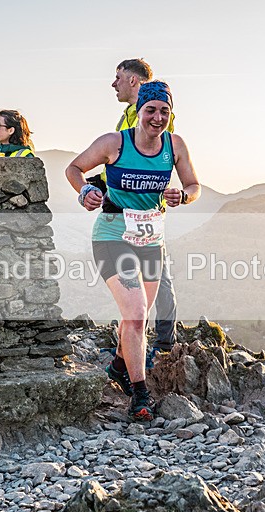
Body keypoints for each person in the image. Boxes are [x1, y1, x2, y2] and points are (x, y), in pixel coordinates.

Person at [66, 81, 201, 421]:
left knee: (134, 319)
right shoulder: (114, 143)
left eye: (164, 111)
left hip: (152, 241)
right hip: (113, 236)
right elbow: (74, 168)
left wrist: (183, 196)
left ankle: (116, 366)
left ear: (171, 115)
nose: (157, 118)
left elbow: (194, 186)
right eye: (151, 110)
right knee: (138, 314)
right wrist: (85, 192)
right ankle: (139, 395)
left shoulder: (176, 145)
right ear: (138, 111)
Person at [87, 59, 178, 368]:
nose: (114, 84)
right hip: (120, 217)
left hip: (147, 216)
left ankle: (163, 343)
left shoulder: (154, 115)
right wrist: (94, 185)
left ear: (135, 83)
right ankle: (127, 356)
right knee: (136, 301)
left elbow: (155, 161)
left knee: (156, 281)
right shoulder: (124, 119)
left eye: (119, 78)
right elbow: (117, 164)